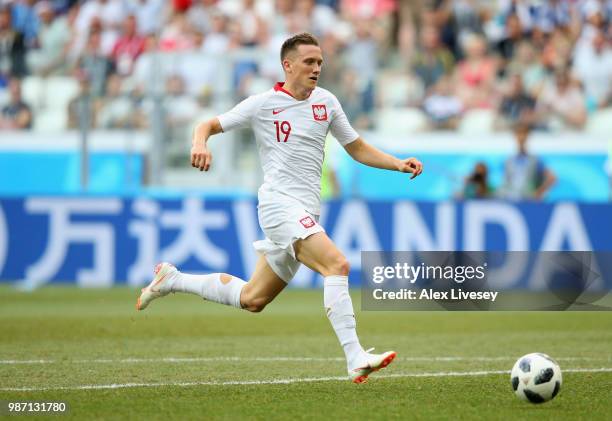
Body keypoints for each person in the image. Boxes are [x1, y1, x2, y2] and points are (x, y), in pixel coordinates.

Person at [136, 32, 423, 384]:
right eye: (309, 62)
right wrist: (200, 143)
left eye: (320, 62)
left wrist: (397, 164)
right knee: (338, 264)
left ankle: (173, 279)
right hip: (278, 205)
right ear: (288, 65)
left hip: (304, 211)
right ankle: (355, 356)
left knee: (253, 298)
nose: (317, 68)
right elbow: (208, 123)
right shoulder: (263, 104)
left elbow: (356, 147)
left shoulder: (327, 102)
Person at [501, 123, 556, 201]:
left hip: (528, 201)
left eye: (524, 134)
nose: (521, 137)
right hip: (512, 201)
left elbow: (552, 178)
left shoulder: (535, 160)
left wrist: (539, 192)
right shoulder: (508, 161)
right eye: (519, 134)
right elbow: (506, 183)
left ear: (528, 136)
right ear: (515, 136)